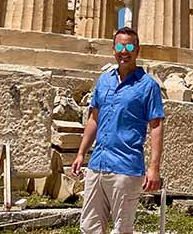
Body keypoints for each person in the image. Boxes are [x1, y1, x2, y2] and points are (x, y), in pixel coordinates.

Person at [71, 26, 164, 234]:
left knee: (122, 229)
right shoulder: (104, 80)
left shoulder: (148, 86)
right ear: (113, 50)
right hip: (97, 165)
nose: (125, 51)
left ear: (137, 50)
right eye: (120, 46)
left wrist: (154, 168)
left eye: (130, 46)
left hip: (126, 168)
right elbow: (94, 118)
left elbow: (156, 126)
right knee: (89, 226)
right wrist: (80, 153)